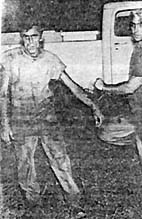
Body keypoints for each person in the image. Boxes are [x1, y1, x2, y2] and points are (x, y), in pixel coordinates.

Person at [0, 25, 103, 212]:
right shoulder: (10, 59)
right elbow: (3, 95)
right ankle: (33, 204)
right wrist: (4, 124)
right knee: (25, 163)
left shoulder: (50, 60)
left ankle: (74, 201)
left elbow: (73, 86)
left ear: (41, 37)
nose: (30, 41)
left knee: (60, 158)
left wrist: (93, 105)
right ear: (21, 38)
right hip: (21, 118)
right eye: (26, 37)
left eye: (34, 36)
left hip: (46, 117)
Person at [94, 9, 142, 215]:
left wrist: (104, 87)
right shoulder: (141, 49)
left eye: (141, 25)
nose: (136, 30)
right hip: (140, 112)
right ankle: (135, 140)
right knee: (108, 132)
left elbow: (129, 88)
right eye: (133, 25)